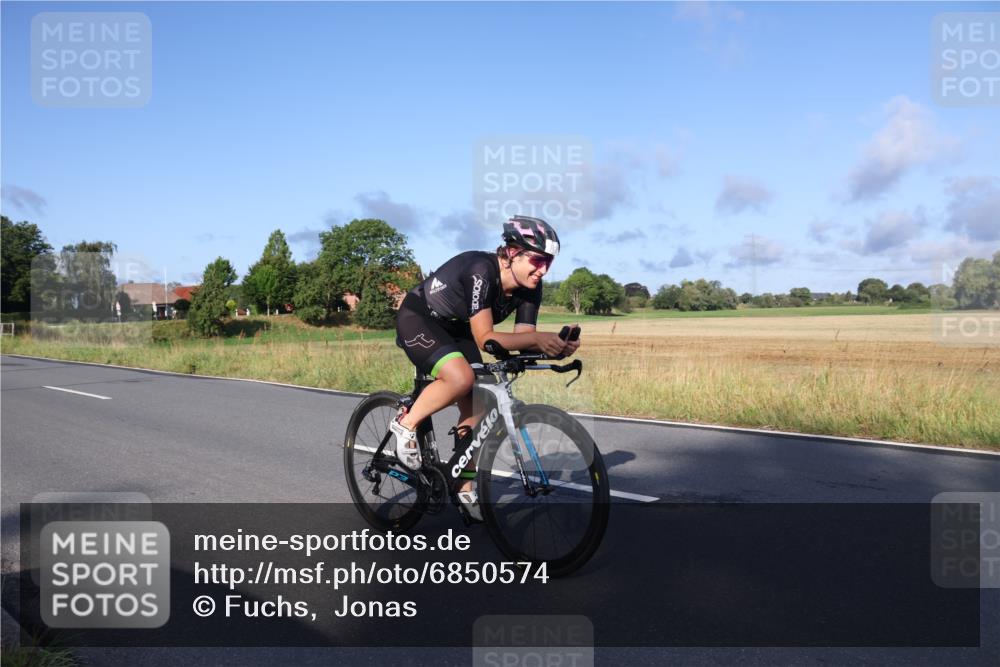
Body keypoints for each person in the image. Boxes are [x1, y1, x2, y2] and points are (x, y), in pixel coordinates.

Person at [392, 216, 580, 520]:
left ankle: (463, 483)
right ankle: (406, 424)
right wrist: (537, 339)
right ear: (511, 253)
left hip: (457, 329)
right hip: (419, 317)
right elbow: (485, 338)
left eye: (548, 262)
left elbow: (520, 340)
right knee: (460, 377)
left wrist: (554, 346)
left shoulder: (531, 287)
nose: (543, 269)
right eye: (537, 259)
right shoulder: (481, 271)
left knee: (479, 400)